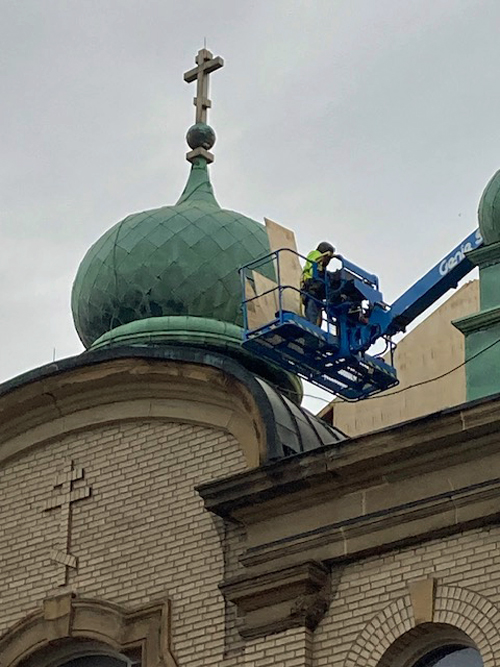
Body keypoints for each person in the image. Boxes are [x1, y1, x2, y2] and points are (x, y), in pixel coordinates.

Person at [301, 242, 335, 325]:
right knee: (312, 309)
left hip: (314, 287)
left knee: (315, 308)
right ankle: (311, 324)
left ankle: (314, 324)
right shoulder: (316, 255)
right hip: (311, 285)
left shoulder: (319, 262)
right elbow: (314, 269)